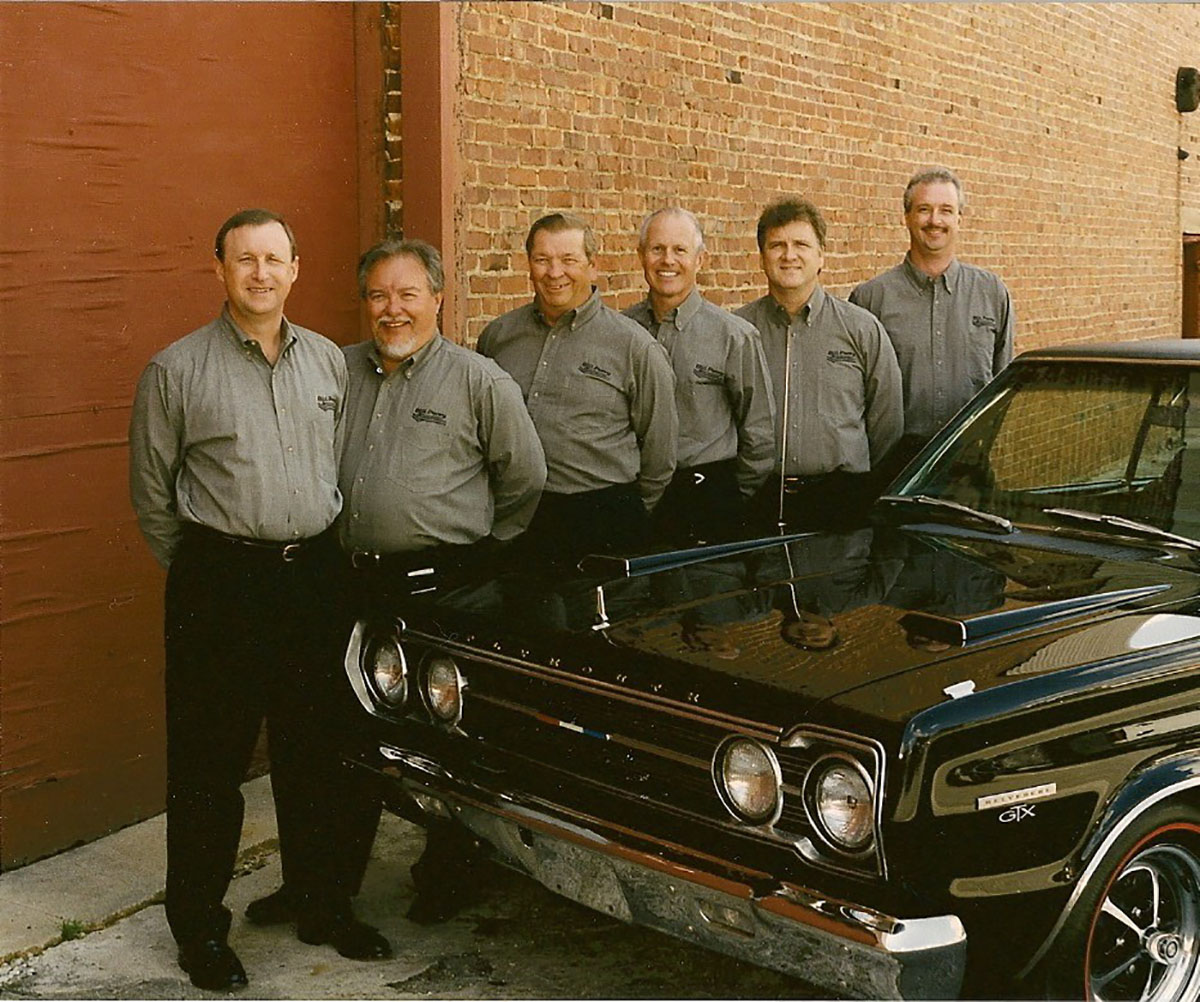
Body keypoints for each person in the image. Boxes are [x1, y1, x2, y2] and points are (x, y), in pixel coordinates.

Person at [246, 239, 546, 927]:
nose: (393, 309)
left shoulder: (478, 381)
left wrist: (474, 552)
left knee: (445, 740)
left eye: (408, 294)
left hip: (443, 591)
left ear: (437, 297)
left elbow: (525, 479)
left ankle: (447, 875)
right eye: (379, 295)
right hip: (343, 584)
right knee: (322, 737)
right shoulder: (334, 369)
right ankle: (314, 885)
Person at [128, 209, 389, 993]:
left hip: (313, 576)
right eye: (245, 259)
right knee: (208, 765)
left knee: (316, 752)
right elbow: (153, 497)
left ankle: (320, 902)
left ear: (296, 268)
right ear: (219, 270)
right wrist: (214, 568)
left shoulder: (329, 363)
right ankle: (200, 929)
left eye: (275, 258)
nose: (261, 273)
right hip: (221, 583)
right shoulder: (176, 370)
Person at [477, 212, 678, 562]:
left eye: (568, 260)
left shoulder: (635, 347)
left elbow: (659, 456)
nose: (554, 272)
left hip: (603, 521)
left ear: (592, 266)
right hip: (517, 522)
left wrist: (623, 513)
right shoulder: (498, 337)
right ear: (529, 264)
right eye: (542, 260)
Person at [736, 198, 902, 531]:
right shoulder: (739, 332)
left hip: (841, 499)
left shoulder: (861, 329)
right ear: (762, 257)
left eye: (801, 244)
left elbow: (887, 424)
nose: (789, 255)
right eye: (777, 245)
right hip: (760, 497)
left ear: (821, 255)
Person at [849, 166, 1014, 477]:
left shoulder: (992, 294)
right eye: (924, 209)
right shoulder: (871, 300)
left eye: (946, 210)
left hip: (969, 465)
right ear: (906, 217)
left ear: (960, 219)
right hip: (894, 469)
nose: (935, 220)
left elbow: (1001, 383)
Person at [624, 207, 775, 545]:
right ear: (641, 255)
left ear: (700, 259)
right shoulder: (621, 332)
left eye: (680, 250)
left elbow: (760, 433)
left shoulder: (734, 336)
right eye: (657, 249)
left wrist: (730, 496)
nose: (668, 260)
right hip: (633, 493)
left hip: (707, 498)